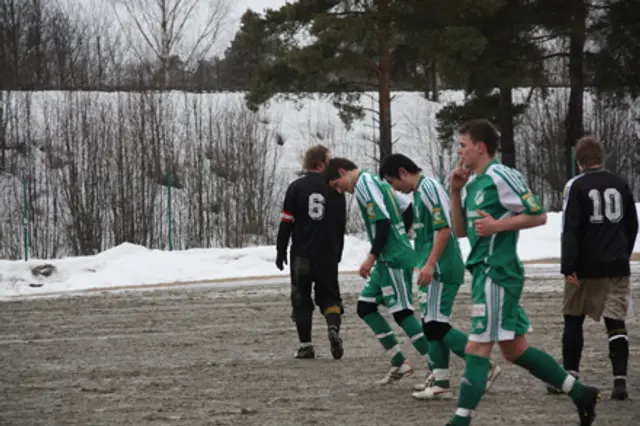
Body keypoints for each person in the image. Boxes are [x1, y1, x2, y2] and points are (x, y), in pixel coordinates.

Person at [446, 119, 601, 426]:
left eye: (462, 145)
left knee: (476, 345)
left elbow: (538, 215)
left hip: (497, 273)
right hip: (483, 273)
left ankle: (460, 421)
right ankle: (582, 394)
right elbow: (462, 231)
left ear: (480, 147)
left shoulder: (501, 174)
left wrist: (498, 226)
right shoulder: (474, 183)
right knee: (515, 350)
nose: (459, 151)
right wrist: (454, 191)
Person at [378, 153, 502, 401]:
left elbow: (444, 228)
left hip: (442, 268)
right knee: (432, 323)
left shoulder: (428, 189)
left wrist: (431, 263)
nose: (396, 189)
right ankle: (441, 381)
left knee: (435, 325)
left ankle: (483, 364)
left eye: (393, 183)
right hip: (433, 266)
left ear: (403, 172)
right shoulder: (420, 192)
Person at [324, 157, 431, 385]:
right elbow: (406, 207)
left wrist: (372, 256)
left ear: (343, 172)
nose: (340, 190)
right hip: (388, 256)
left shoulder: (364, 184)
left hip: (392, 258)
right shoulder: (376, 182)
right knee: (366, 307)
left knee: (402, 312)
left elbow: (382, 222)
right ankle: (399, 362)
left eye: (337, 184)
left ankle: (436, 367)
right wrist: (399, 232)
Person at [547, 135, 638, 400]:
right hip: (616, 263)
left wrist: (569, 265)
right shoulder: (620, 183)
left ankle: (570, 376)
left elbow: (570, 229)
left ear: (579, 161)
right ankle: (619, 380)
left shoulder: (575, 186)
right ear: (602, 158)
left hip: (586, 266)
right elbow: (632, 224)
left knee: (573, 317)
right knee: (616, 322)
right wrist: (623, 252)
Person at [276, 144, 347, 360]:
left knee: (301, 298)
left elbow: (286, 222)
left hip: (301, 253)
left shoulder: (296, 187)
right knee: (330, 297)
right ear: (321, 163)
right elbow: (339, 224)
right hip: (327, 253)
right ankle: (333, 328)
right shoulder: (336, 189)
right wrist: (338, 251)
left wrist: (280, 250)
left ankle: (306, 345)